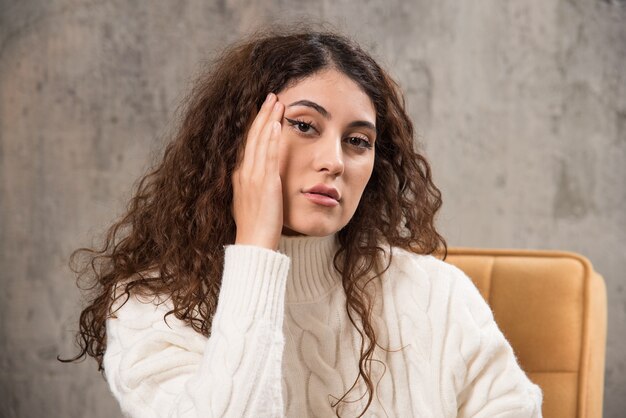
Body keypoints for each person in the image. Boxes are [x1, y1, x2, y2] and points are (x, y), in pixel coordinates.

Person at [63, 27, 543, 417]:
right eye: (304, 125)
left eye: (358, 141)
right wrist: (255, 251)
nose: (334, 161)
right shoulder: (151, 304)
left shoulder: (439, 294)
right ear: (236, 139)